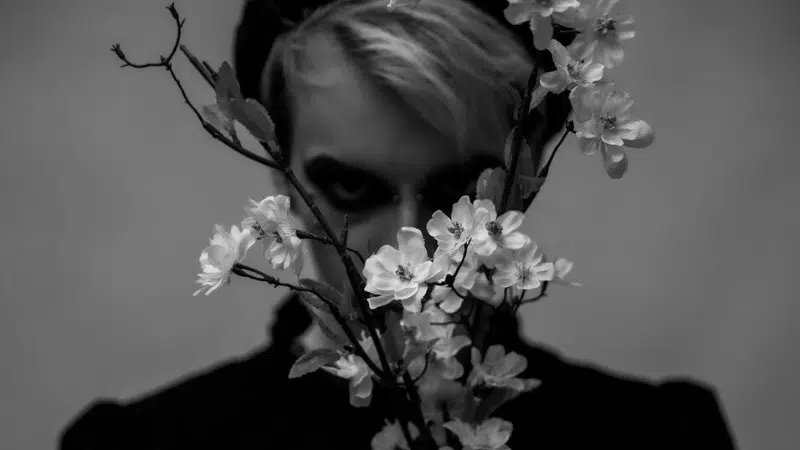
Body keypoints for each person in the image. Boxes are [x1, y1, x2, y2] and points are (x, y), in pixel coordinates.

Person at [59, 0, 737, 448]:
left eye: (460, 189)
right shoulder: (139, 446)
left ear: (529, 165)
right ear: (277, 167)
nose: (415, 256)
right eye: (353, 188)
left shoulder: (664, 437)